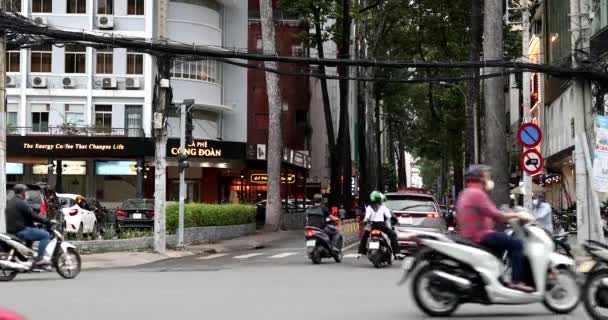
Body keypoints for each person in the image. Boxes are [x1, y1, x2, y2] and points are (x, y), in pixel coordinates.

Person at [456, 165, 533, 292]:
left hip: (471, 234)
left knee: (501, 246)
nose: (489, 179)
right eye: (487, 176)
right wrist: (517, 215)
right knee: (516, 244)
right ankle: (517, 281)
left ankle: (499, 279)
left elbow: (490, 213)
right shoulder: (477, 194)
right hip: (480, 235)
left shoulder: (466, 192)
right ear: (480, 178)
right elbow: (495, 214)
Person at [6, 184, 52, 268]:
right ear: (23, 192)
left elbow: (21, 216)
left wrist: (32, 224)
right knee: (45, 235)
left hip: (11, 229)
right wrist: (46, 221)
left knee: (32, 232)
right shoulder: (21, 203)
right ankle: (40, 259)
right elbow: (32, 215)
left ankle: (27, 258)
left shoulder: (10, 201)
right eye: (26, 192)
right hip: (20, 230)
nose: (26, 194)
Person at [357, 191, 401, 258]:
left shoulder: (369, 207)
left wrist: (365, 222)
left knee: (364, 236)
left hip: (371, 225)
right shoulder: (383, 207)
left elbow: (367, 217)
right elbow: (389, 216)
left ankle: (360, 252)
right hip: (381, 225)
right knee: (392, 234)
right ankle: (397, 253)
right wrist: (396, 221)